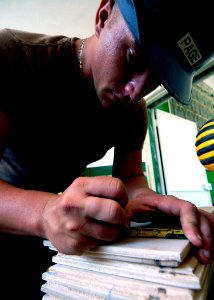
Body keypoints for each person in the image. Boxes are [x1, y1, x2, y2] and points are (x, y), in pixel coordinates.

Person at [0, 0, 213, 298]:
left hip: (55, 248)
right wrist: (45, 213)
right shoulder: (13, 54)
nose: (135, 91)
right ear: (102, 15)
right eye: (133, 57)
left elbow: (131, 178)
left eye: (155, 80)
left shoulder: (132, 110)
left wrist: (156, 203)